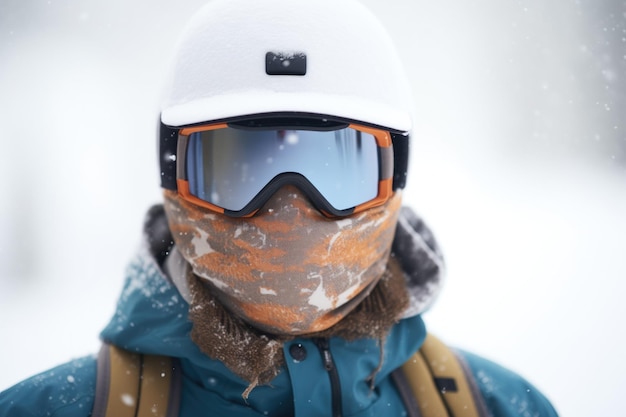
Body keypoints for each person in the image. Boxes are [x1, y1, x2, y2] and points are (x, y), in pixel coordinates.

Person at [0, 0, 559, 416]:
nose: (289, 208)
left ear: (396, 180)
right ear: (173, 179)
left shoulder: (501, 407)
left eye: (339, 165)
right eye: (238, 166)